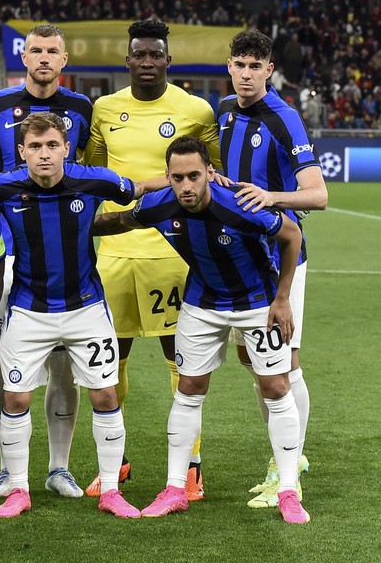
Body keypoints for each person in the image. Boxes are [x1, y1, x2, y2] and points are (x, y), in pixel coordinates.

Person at [93, 135, 310, 525]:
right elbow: (120, 221)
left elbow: (291, 235)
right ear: (168, 178)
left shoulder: (242, 206)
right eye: (177, 178)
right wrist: (69, 224)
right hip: (201, 304)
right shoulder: (161, 205)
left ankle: (289, 491)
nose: (187, 186)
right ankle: (176, 488)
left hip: (256, 304)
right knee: (189, 388)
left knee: (275, 388)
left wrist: (282, 299)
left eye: (195, 175)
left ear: (210, 172)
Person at [0, 112, 156, 519]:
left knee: (105, 395)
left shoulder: (96, 180)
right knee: (15, 398)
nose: (44, 155)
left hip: (86, 307)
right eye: (35, 147)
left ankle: (110, 491)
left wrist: (195, 179)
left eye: (52, 145)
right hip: (28, 310)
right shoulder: (0, 187)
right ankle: (19, 489)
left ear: (67, 149)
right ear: (21, 152)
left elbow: (139, 189)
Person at [81, 18, 221, 499]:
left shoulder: (196, 109)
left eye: (155, 54)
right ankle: (113, 463)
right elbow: (94, 171)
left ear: (168, 58)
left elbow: (212, 176)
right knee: (109, 357)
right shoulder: (104, 108)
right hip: (114, 252)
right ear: (127, 60)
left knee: (179, 357)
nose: (147, 62)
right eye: (138, 55)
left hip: (172, 253)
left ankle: (192, 467)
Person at [0, 23, 94, 499]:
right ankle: (9, 469)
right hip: (4, 252)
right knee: (9, 364)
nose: (43, 58)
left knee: (64, 365)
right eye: (36, 51)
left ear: (64, 61)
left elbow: (85, 170)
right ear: (24, 57)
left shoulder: (82, 109)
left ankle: (59, 468)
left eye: (52, 52)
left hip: (65, 251)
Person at [218, 28, 327, 508]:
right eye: (238, 64)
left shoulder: (285, 120)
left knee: (284, 363)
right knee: (253, 361)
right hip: (238, 258)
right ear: (229, 66)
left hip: (281, 255)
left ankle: (290, 463)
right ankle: (287, 456)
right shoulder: (223, 113)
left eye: (254, 66)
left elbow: (319, 194)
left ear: (269, 70)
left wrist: (271, 197)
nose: (245, 73)